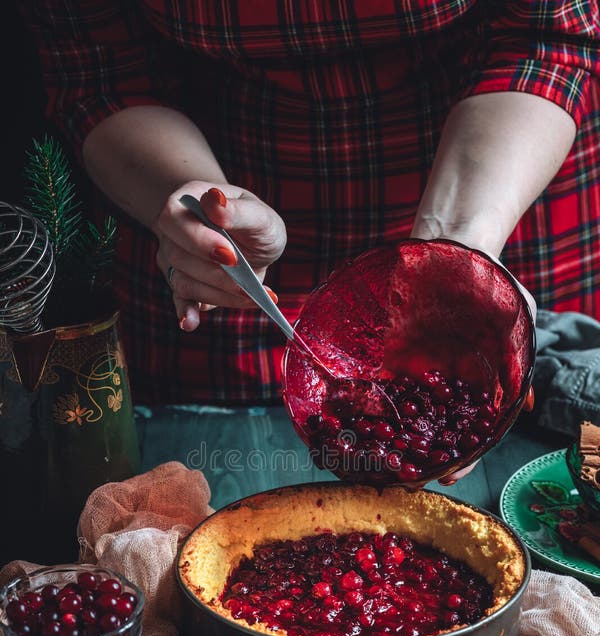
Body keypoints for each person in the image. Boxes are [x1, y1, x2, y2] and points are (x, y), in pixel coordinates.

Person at [17, 1, 600, 411]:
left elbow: (544, 36)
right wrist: (206, 208)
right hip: (219, 202)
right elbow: (100, 71)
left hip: (488, 177)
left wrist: (456, 250)